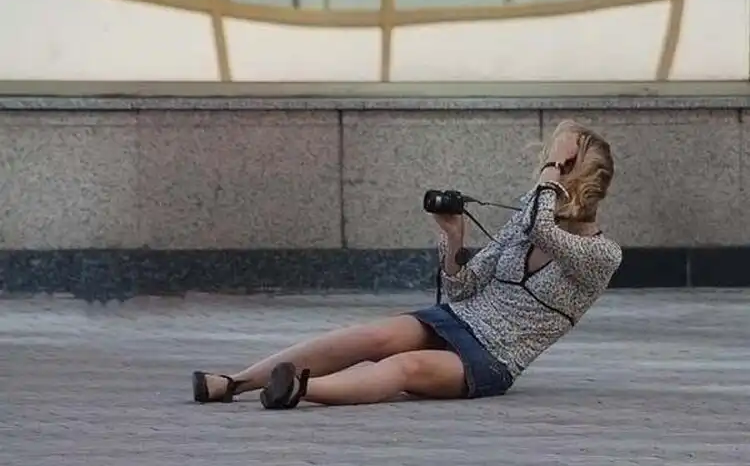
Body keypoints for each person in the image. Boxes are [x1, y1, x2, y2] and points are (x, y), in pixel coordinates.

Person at [191, 120, 623, 409]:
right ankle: (235, 382)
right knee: (371, 336)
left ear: (574, 180)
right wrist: (454, 242)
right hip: (458, 318)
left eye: (560, 167)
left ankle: (297, 389)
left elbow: (543, 231)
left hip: (492, 358)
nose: (546, 172)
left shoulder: (602, 255)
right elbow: (462, 287)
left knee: (404, 368)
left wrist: (550, 169)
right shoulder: (532, 215)